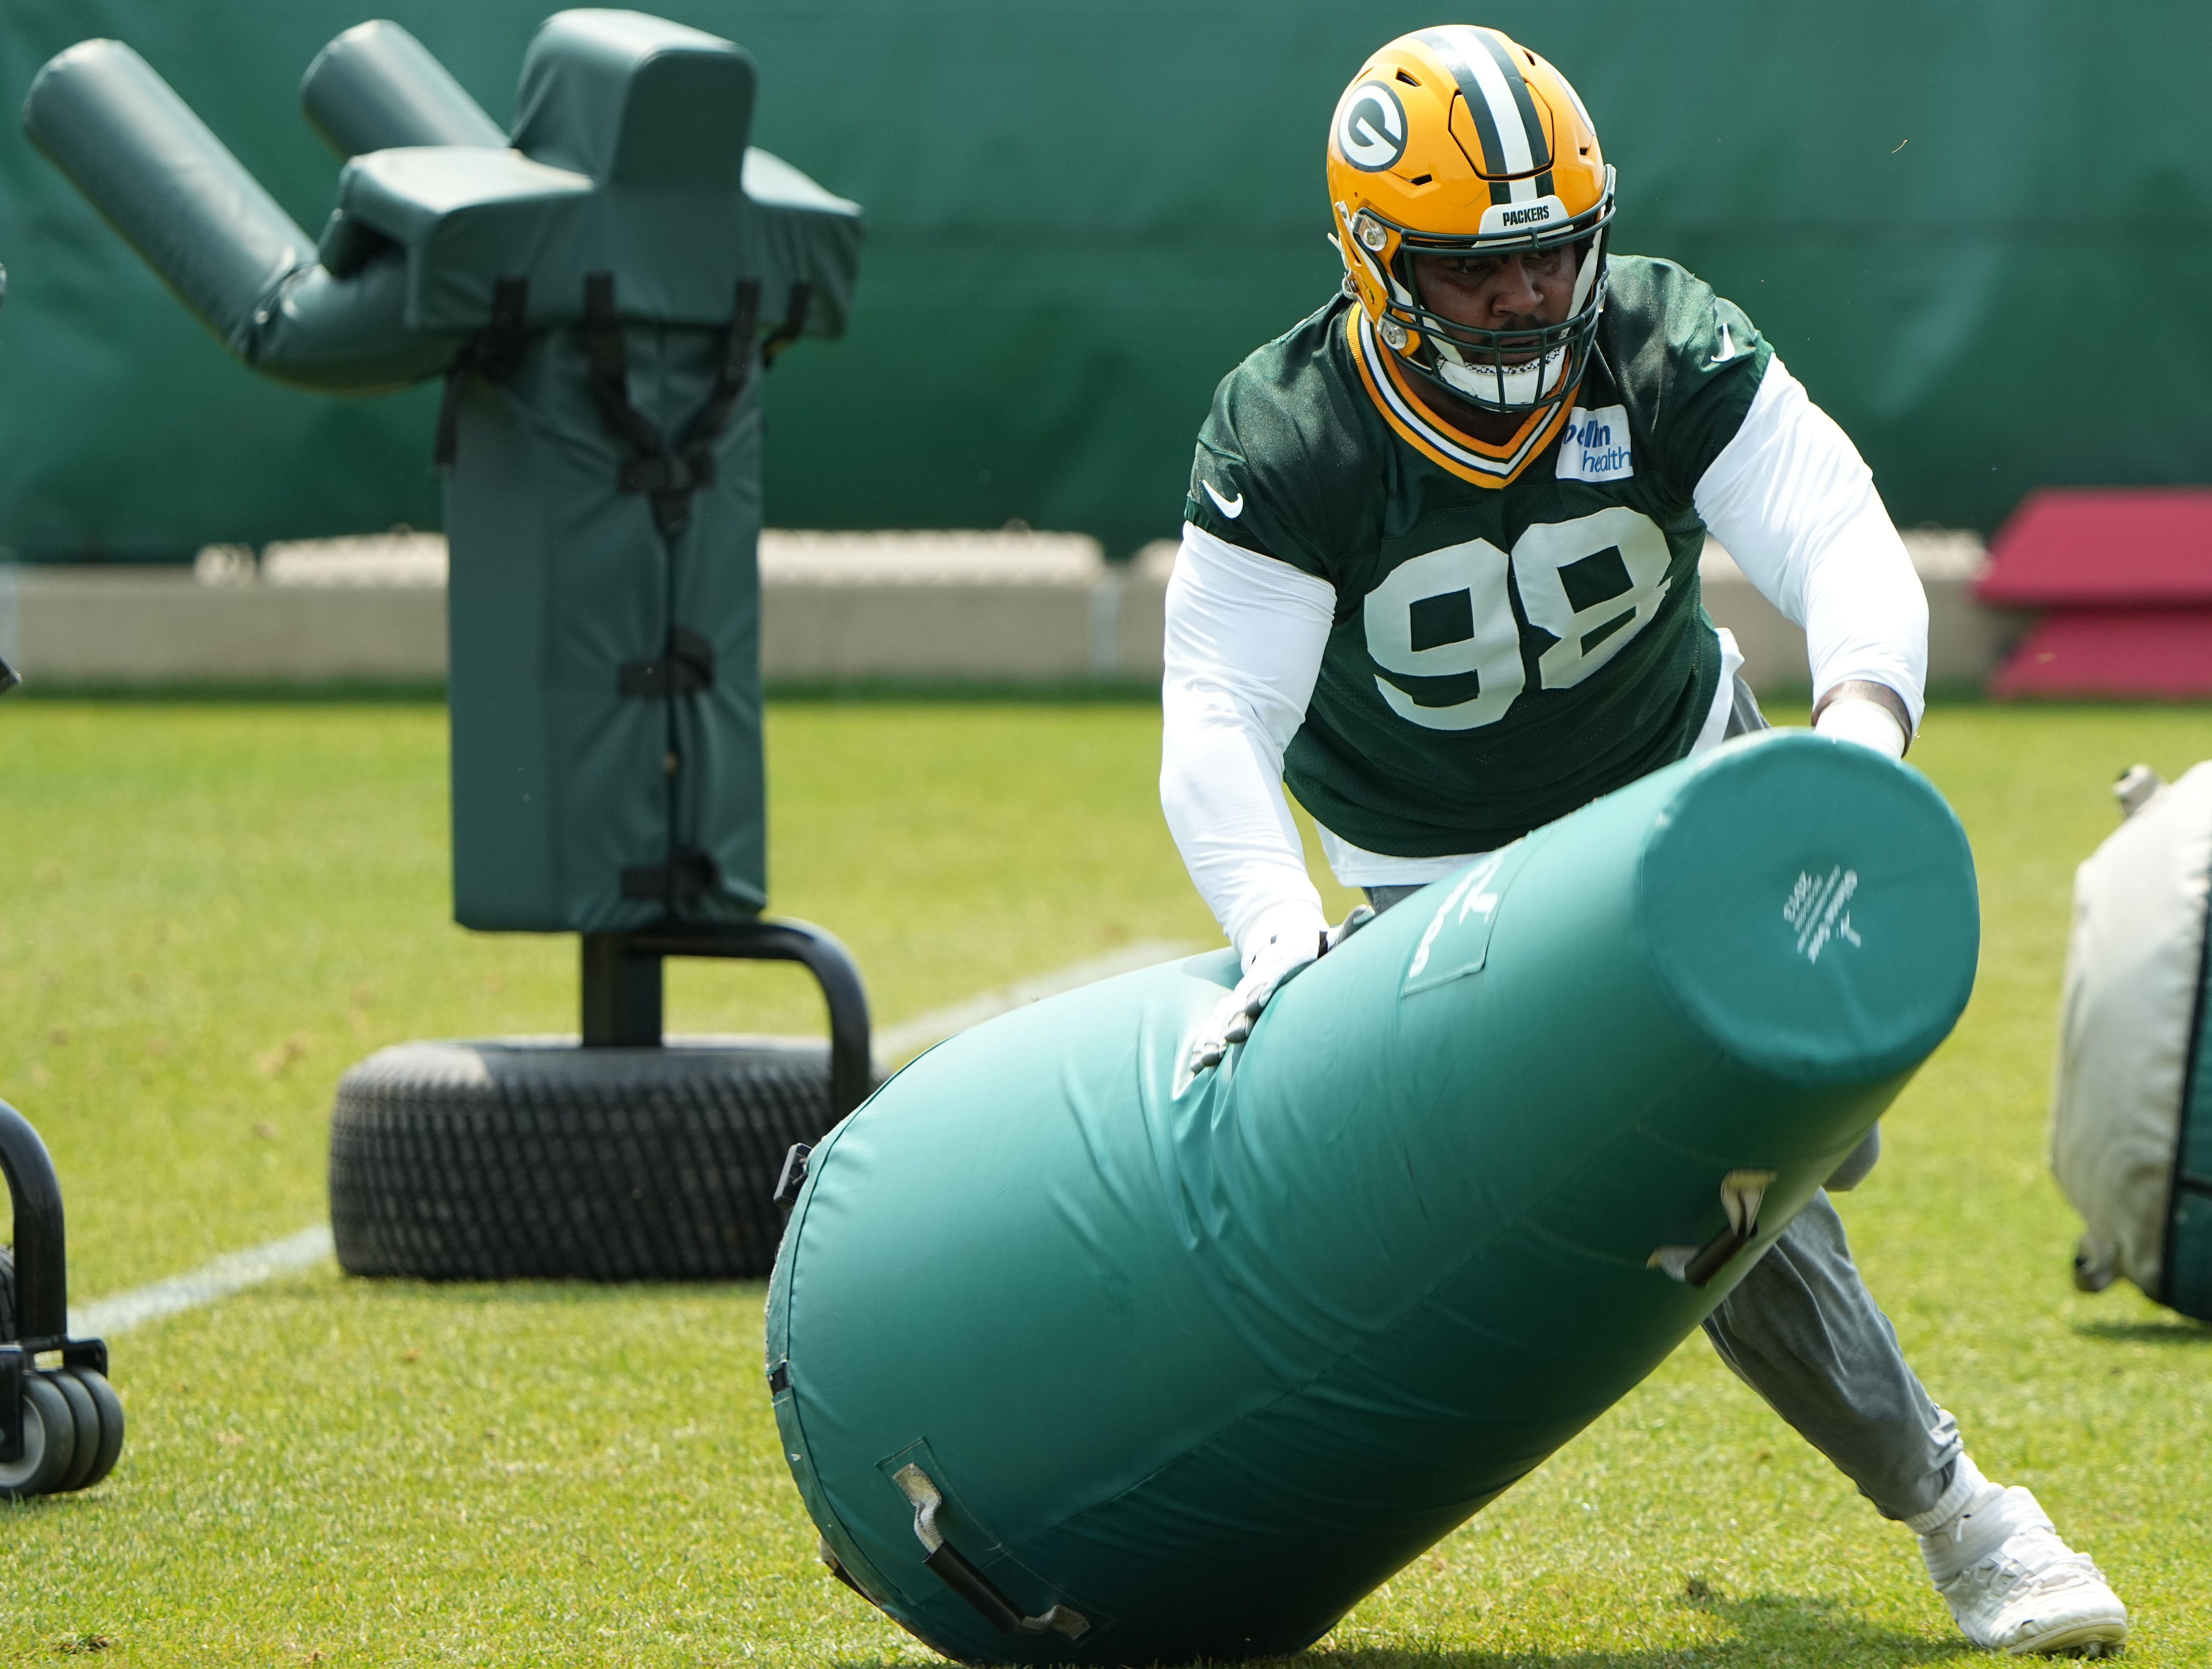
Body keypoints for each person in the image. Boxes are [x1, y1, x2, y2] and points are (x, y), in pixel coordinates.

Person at [1158, 24, 2127, 1657]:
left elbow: (1836, 528)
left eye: (1550, 259)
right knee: (1702, 1182)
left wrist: (1858, 742)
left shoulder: (1661, 337)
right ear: (1373, 260)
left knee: (1782, 1141)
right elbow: (1215, 711)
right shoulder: (1290, 432)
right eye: (1477, 274)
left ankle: (1792, 1130)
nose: (1530, 302)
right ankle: (1969, 1520)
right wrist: (1271, 919)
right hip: (1448, 879)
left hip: (1685, 781)